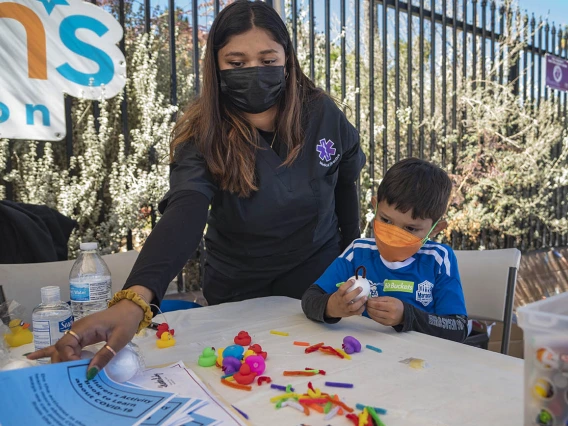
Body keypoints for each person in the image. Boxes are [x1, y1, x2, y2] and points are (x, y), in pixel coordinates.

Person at [28, 0, 365, 375]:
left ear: (287, 59)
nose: (254, 72)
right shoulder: (201, 133)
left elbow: (345, 182)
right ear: (216, 66)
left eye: (268, 60)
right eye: (236, 64)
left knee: (324, 373)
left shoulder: (321, 114)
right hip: (239, 288)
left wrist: (351, 262)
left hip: (315, 278)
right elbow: (186, 209)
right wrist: (136, 299)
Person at [302, 158, 468, 342]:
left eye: (410, 229)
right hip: (361, 356)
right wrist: (331, 307)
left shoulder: (438, 259)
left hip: (418, 360)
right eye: (386, 221)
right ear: (375, 207)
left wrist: (407, 316)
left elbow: (458, 327)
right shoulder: (358, 252)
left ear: (435, 229)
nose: (394, 235)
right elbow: (310, 299)